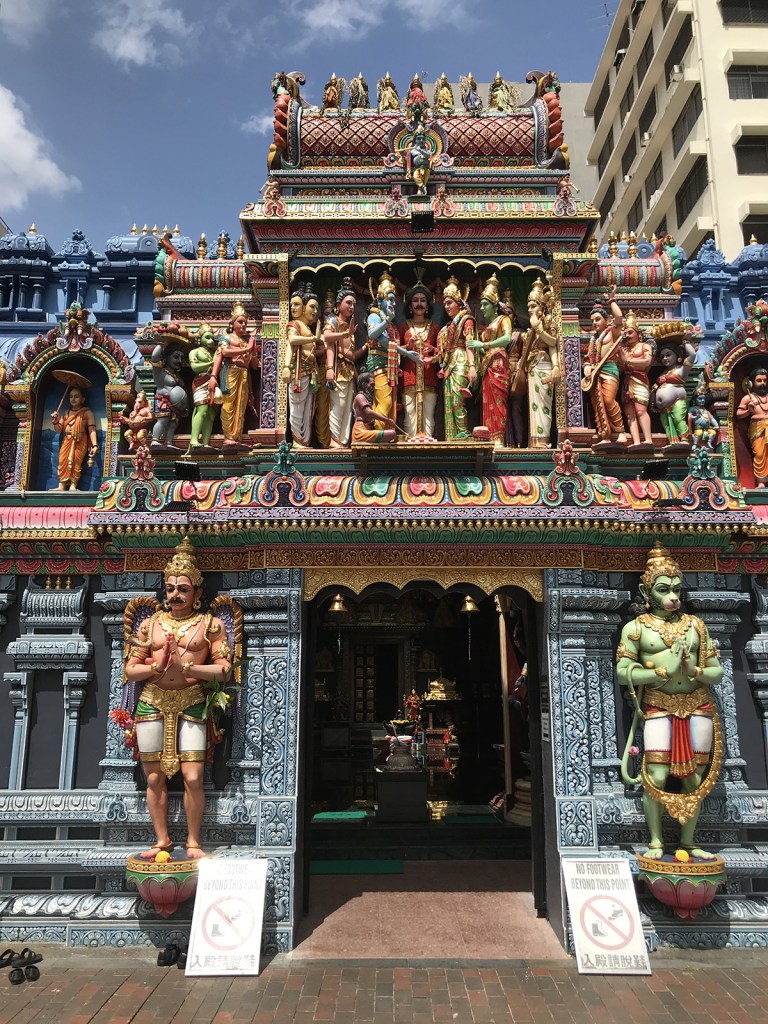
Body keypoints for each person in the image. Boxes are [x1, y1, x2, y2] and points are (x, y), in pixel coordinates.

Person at [125, 540, 233, 860]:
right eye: (171, 588)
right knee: (153, 776)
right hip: (152, 700)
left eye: (183, 589)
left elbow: (224, 670)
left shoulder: (210, 625)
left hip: (192, 700)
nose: (175, 595)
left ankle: (194, 841)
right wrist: (157, 666)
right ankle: (162, 840)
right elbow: (130, 670)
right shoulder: (150, 625)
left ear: (197, 592)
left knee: (194, 776)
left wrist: (189, 668)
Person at [616, 541, 723, 859]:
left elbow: (717, 672)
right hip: (659, 705)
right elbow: (623, 672)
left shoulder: (696, 627)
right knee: (657, 775)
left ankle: (689, 842)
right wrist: (661, 671)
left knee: (694, 777)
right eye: (664, 589)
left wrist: (694, 669)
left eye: (676, 589)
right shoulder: (637, 628)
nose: (673, 596)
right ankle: (656, 841)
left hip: (697, 704)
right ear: (646, 591)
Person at [470, 274, 523, 446]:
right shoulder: (487, 327)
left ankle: (498, 438)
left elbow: (507, 338)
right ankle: (490, 437)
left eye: (485, 304)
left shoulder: (503, 319)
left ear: (494, 305)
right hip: (488, 365)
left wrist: (484, 345)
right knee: (487, 402)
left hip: (499, 363)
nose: (482, 308)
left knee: (499, 403)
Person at [581, 286, 629, 448]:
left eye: (597, 319)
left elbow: (619, 317)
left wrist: (612, 299)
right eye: (592, 320)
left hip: (609, 369)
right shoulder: (593, 340)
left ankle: (620, 431)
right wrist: (587, 366)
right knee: (597, 404)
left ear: (606, 320)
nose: (594, 323)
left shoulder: (612, 333)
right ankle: (604, 434)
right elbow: (588, 358)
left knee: (608, 400)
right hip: (595, 373)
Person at [209, 302, 258, 450]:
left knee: (241, 406)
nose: (243, 325)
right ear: (232, 323)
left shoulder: (246, 341)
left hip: (244, 374)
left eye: (245, 323)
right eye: (240, 322)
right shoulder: (227, 338)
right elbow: (222, 353)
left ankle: (237, 438)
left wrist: (253, 351)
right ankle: (228, 438)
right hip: (230, 372)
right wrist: (213, 376)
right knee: (229, 404)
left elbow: (254, 366)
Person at [521, 278, 560, 448]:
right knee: (533, 406)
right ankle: (534, 441)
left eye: (533, 306)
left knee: (544, 405)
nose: (530, 309)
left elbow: (553, 343)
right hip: (532, 368)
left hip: (544, 366)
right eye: (528, 306)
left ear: (541, 307)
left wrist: (556, 366)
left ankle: (543, 440)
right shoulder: (531, 329)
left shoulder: (547, 321)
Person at [437, 277, 478, 440]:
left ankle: (463, 433)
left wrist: (472, 366)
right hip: (449, 363)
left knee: (457, 399)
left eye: (450, 303)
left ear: (458, 303)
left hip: (462, 359)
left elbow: (469, 344)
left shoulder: (466, 320)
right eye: (445, 304)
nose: (447, 307)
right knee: (448, 401)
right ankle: (452, 436)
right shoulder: (449, 326)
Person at [399, 282, 440, 438]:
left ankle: (427, 444)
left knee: (429, 416)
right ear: (410, 305)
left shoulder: (435, 327)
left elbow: (442, 353)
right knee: (409, 414)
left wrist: (433, 350)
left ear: (427, 305)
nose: (419, 304)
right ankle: (411, 444)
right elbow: (394, 352)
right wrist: (407, 347)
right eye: (415, 301)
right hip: (409, 377)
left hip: (429, 377)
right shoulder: (403, 327)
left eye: (423, 300)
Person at [323, 279, 361, 446]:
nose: (352, 307)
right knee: (338, 404)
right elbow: (327, 339)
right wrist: (329, 368)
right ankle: (333, 440)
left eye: (354, 304)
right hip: (338, 368)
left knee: (348, 408)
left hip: (349, 370)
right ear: (338, 305)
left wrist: (365, 348)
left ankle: (343, 441)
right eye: (348, 303)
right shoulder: (333, 322)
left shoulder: (348, 326)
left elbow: (350, 354)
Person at [282, 285, 320, 447]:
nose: (293, 308)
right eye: (292, 304)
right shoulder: (294, 325)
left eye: (296, 304)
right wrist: (286, 367)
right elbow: (291, 342)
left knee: (309, 409)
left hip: (310, 372)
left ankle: (305, 441)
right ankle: (297, 441)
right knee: (297, 408)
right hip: (298, 372)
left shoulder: (308, 328)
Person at [618, 311, 654, 449]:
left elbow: (647, 362)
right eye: (625, 333)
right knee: (630, 414)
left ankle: (648, 439)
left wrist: (628, 361)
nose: (628, 335)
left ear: (638, 334)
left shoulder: (645, 346)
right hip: (627, 381)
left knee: (640, 410)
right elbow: (621, 366)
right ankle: (636, 442)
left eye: (630, 332)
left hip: (640, 379)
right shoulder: (625, 349)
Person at [51, 385, 98, 490]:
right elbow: (59, 429)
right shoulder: (66, 413)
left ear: (83, 399)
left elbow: (92, 429)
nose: (73, 399)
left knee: (76, 462)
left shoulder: (87, 413)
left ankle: (73, 485)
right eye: (71, 396)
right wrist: (55, 421)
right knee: (62, 461)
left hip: (80, 440)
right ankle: (61, 485)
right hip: (67, 440)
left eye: (76, 397)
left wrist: (95, 445)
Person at [652, 341, 696, 445]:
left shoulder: (681, 370)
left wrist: (686, 341)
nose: (665, 358)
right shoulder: (662, 373)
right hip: (663, 408)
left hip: (677, 401)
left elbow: (692, 355)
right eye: (662, 356)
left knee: (678, 419)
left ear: (677, 356)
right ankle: (673, 443)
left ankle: (684, 440)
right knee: (667, 424)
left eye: (668, 355)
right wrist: (652, 403)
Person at [187, 323, 220, 452]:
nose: (211, 340)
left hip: (213, 383)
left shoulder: (214, 353)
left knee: (211, 414)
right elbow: (195, 367)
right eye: (207, 337)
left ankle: (205, 442)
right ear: (200, 339)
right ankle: (194, 439)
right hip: (200, 382)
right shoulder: (194, 352)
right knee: (202, 410)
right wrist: (212, 363)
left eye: (212, 338)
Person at [736, 366, 768, 487]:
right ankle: (761, 482)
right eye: (759, 380)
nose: (762, 383)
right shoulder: (748, 398)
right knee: (759, 454)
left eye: (765, 380)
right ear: (751, 383)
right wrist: (749, 410)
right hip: (758, 428)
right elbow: (739, 414)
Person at [351, 371, 398, 443]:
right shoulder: (360, 397)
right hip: (360, 432)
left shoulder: (366, 397)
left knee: (391, 434)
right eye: (372, 385)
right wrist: (387, 420)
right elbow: (369, 412)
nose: (373, 388)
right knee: (392, 433)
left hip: (368, 430)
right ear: (364, 385)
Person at [403, 128, 434, 196]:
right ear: (415, 140)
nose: (421, 140)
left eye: (423, 139)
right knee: (416, 177)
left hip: (426, 169)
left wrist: (420, 151)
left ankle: (421, 190)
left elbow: (428, 156)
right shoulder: (412, 151)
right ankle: (422, 186)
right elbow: (408, 162)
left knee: (424, 179)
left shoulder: (427, 151)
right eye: (419, 139)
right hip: (416, 169)